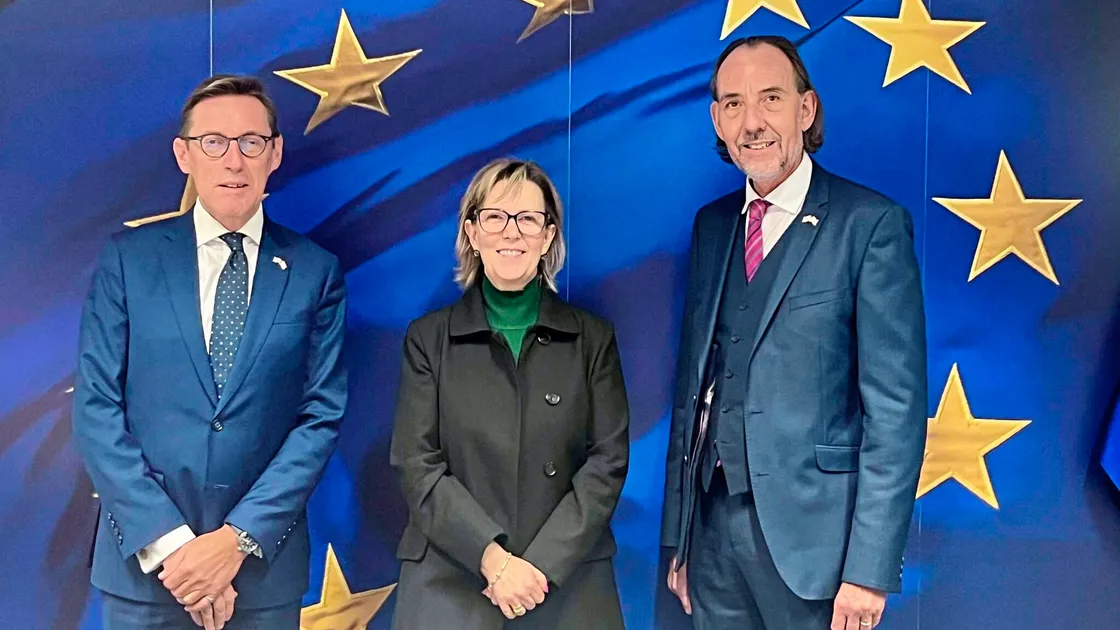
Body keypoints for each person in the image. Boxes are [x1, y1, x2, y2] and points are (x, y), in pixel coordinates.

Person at [660, 36, 928, 630]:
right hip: (710, 540)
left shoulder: (870, 226)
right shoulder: (712, 227)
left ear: (806, 110)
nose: (752, 121)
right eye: (734, 104)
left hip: (817, 553)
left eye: (771, 98)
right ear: (717, 121)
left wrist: (869, 570)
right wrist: (679, 538)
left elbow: (896, 413)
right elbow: (692, 391)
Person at [71, 75, 347, 630]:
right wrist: (176, 550)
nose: (233, 160)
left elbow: (319, 417)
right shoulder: (129, 261)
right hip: (147, 573)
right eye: (214, 142)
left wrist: (234, 542)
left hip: (261, 577)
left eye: (251, 142)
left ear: (275, 154)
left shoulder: (315, 271)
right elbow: (96, 407)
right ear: (184, 155)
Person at [389, 158, 630, 629]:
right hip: (452, 579)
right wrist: (494, 561)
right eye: (495, 217)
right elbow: (417, 464)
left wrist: (536, 568)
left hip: (566, 581)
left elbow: (607, 463)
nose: (511, 232)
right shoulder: (427, 340)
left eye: (528, 219)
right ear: (472, 233)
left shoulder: (593, 339)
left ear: (548, 236)